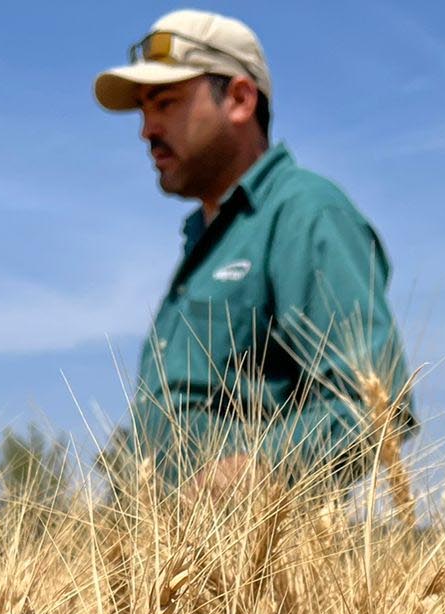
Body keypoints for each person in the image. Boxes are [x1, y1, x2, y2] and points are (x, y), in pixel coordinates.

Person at [94, 10, 415, 498]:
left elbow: (376, 401)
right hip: (167, 564)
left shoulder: (305, 214)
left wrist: (252, 473)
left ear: (240, 100)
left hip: (253, 566)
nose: (146, 129)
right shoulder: (206, 236)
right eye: (142, 110)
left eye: (165, 102)